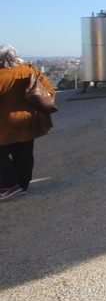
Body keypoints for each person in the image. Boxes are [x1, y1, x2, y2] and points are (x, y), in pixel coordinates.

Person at [0, 44, 54, 200]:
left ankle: (10, 186)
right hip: (28, 121)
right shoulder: (30, 71)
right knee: (24, 152)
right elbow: (49, 92)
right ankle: (22, 186)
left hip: (3, 124)